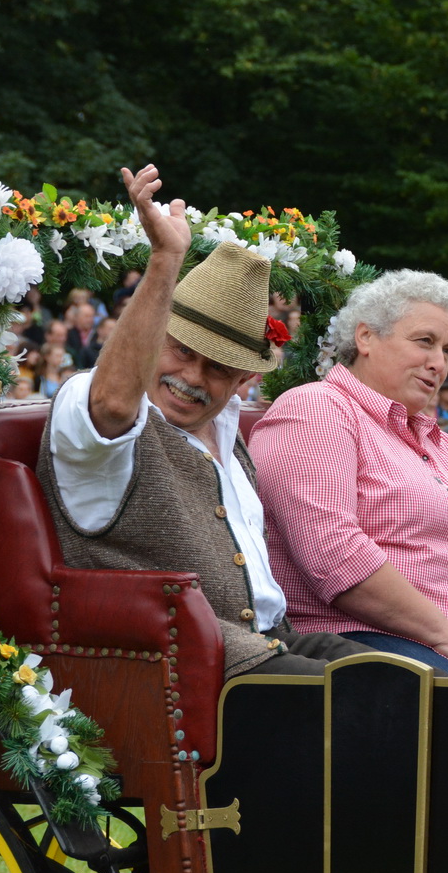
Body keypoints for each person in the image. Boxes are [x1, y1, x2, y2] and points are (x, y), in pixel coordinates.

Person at [37, 164, 373, 679]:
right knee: (351, 703)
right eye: (179, 350)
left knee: (405, 681)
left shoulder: (227, 431)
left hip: (265, 643)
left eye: (217, 367)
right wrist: (165, 259)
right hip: (175, 662)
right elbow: (110, 407)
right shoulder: (98, 407)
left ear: (243, 378)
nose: (191, 376)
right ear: (154, 336)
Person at [249, 268, 448, 695]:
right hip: (359, 637)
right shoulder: (316, 410)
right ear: (365, 337)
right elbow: (334, 554)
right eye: (424, 342)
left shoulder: (442, 443)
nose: (438, 363)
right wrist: (444, 635)